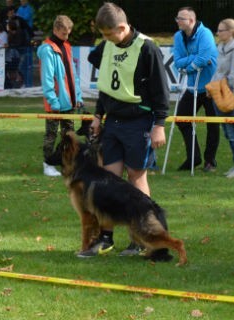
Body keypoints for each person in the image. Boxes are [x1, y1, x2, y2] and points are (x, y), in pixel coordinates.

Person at [85, 2, 170, 257]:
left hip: (139, 123)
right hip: (113, 123)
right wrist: (98, 116)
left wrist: (159, 125)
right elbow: (106, 86)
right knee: (107, 181)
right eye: (103, 35)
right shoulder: (108, 46)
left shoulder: (148, 48)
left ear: (122, 27)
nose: (106, 39)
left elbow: (161, 91)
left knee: (136, 178)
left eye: (109, 34)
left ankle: (139, 237)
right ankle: (106, 238)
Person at [172, 7, 219, 172]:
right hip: (193, 86)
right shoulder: (178, 36)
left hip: (211, 86)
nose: (177, 21)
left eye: (181, 18)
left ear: (191, 21)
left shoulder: (205, 33)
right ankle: (194, 157)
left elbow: (205, 57)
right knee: (181, 118)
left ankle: (210, 161)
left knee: (213, 124)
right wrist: (193, 61)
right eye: (177, 18)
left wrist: (189, 65)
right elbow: (177, 61)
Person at [37, 15, 83, 177]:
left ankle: (67, 162)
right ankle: (47, 164)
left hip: (69, 101)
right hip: (55, 103)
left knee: (69, 134)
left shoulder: (67, 46)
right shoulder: (47, 50)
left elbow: (73, 75)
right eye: (64, 33)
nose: (66, 36)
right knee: (51, 134)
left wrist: (78, 96)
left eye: (68, 33)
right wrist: (52, 100)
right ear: (56, 30)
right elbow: (47, 78)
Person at [210, 18, 234, 178]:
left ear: (231, 32)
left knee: (233, 132)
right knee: (227, 132)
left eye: (221, 30)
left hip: (231, 94)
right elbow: (217, 71)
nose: (217, 33)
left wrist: (218, 86)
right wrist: (212, 86)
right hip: (218, 92)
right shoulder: (220, 47)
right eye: (218, 30)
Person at [14, 0, 32, 87]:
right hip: (21, 36)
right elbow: (17, 18)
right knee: (21, 62)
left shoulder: (30, 8)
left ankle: (28, 83)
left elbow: (25, 18)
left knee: (27, 61)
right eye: (20, 0)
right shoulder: (20, 8)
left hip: (27, 35)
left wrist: (19, 16)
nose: (21, 2)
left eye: (23, 0)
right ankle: (23, 82)